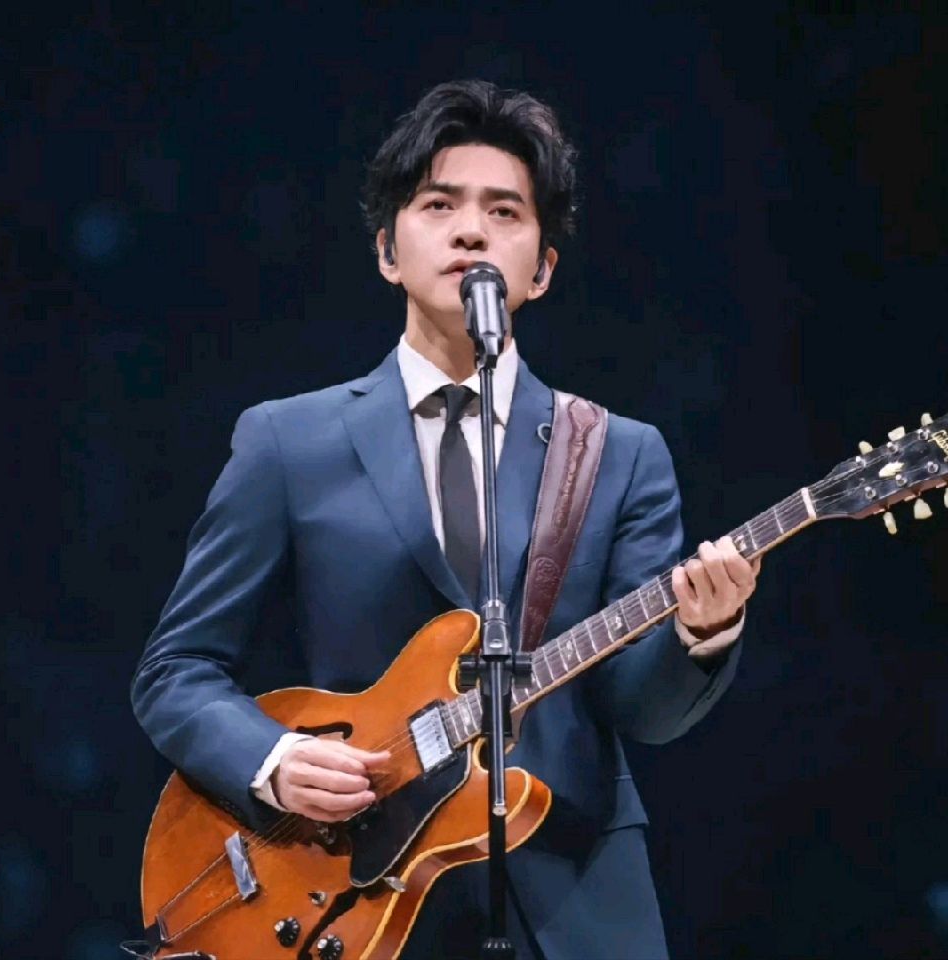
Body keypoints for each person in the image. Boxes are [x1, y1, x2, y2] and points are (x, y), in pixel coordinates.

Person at [132, 79, 760, 960]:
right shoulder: (289, 442)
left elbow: (641, 709)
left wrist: (704, 633)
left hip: (573, 897)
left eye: (505, 211)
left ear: (542, 269)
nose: (471, 231)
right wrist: (272, 762)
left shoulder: (618, 454)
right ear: (388, 251)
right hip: (351, 895)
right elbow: (176, 670)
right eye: (439, 205)